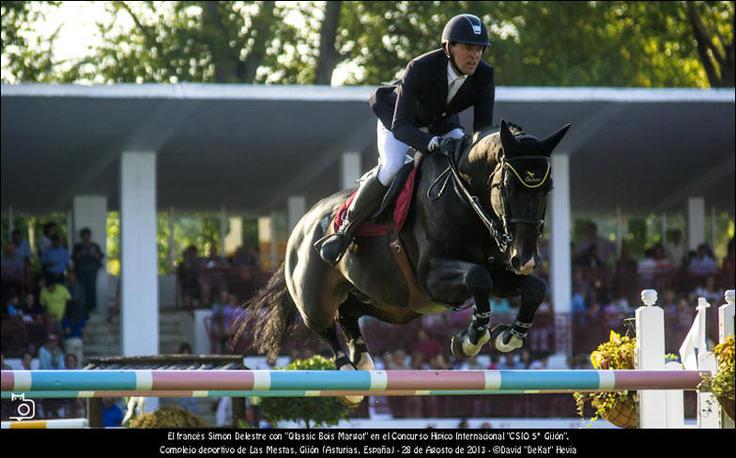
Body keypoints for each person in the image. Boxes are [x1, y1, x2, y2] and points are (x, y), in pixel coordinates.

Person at [319, 13, 495, 265]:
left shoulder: (485, 75)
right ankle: (345, 229)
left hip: (441, 124)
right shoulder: (420, 67)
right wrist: (432, 143)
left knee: (467, 164)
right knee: (392, 166)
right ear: (448, 47)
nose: (475, 55)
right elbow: (401, 126)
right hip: (399, 121)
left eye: (480, 49)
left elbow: (483, 130)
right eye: (469, 47)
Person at [72, 228, 104, 316]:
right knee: (81, 288)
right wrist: (83, 252)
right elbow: (74, 257)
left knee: (92, 288)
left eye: (87, 235)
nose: (86, 238)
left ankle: (93, 307)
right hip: (81, 270)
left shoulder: (95, 245)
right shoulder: (78, 246)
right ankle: (83, 307)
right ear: (81, 237)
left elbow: (100, 256)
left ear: (90, 236)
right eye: (84, 236)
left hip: (92, 270)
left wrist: (93, 253)